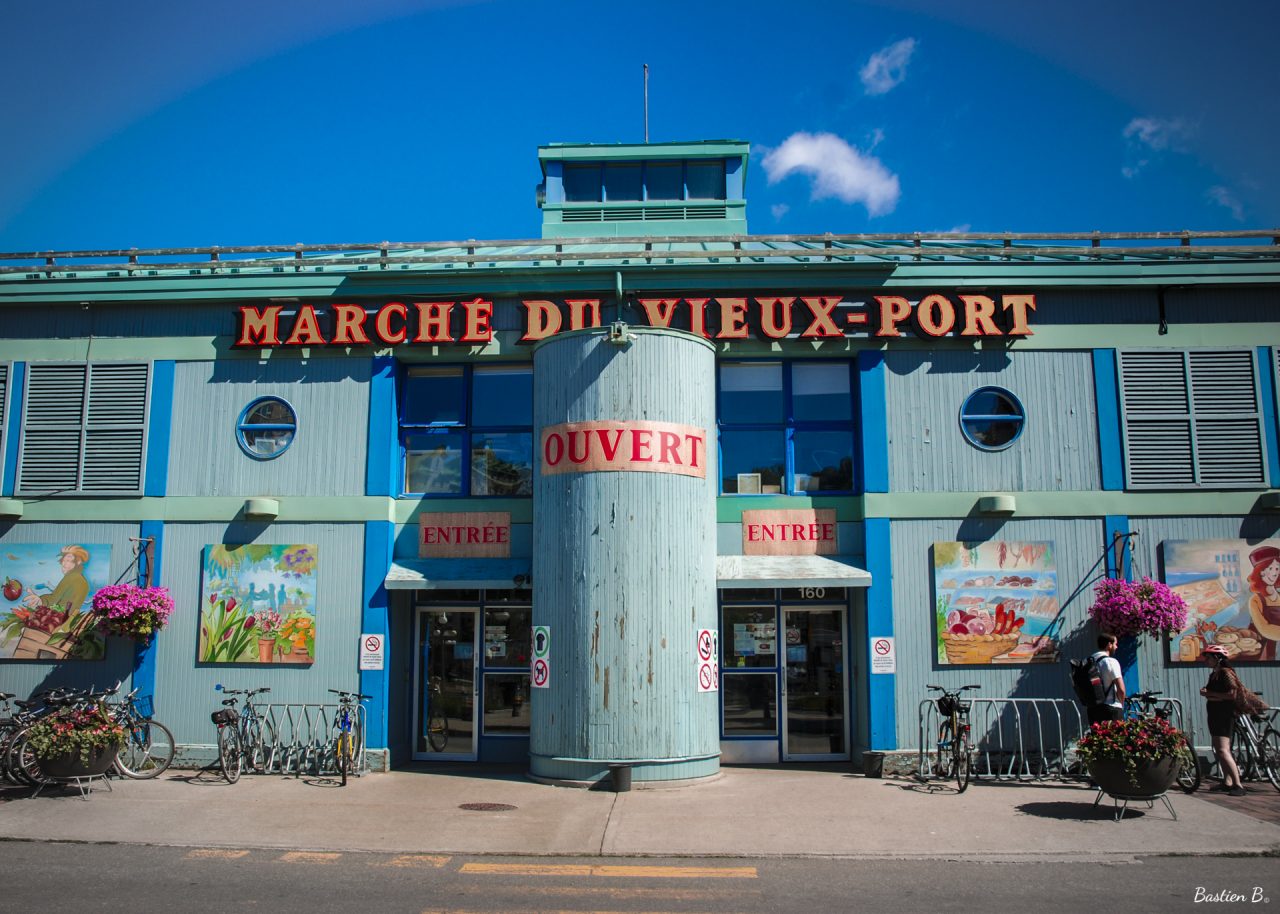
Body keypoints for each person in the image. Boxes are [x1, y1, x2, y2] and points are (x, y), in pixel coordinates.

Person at [1200, 643, 1246, 796]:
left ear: (1217, 658)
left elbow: (1232, 694)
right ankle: (1227, 781)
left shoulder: (1226, 672)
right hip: (1214, 713)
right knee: (1218, 750)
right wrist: (1207, 693)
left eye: (1208, 657)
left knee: (1223, 750)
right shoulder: (1214, 674)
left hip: (1223, 715)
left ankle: (1238, 784)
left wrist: (1210, 694)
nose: (1206, 660)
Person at [21, 545, 91, 617]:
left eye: (69, 561)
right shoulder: (83, 581)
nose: (65, 564)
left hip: (59, 619)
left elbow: (54, 599)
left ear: (78, 562)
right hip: (69, 620)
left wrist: (40, 600)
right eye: (64, 560)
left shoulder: (71, 577)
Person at [1245, 545, 1280, 661]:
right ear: (1260, 572)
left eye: (1277, 568)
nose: (1274, 573)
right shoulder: (1255, 600)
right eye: (1270, 569)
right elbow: (1264, 628)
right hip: (1261, 650)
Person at [1087, 633, 1125, 726]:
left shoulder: (1089, 661)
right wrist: (1121, 705)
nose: (1116, 647)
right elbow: (1121, 689)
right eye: (1115, 644)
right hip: (1111, 708)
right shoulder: (1110, 662)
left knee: (1097, 739)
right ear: (1109, 645)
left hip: (1093, 709)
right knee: (1115, 739)